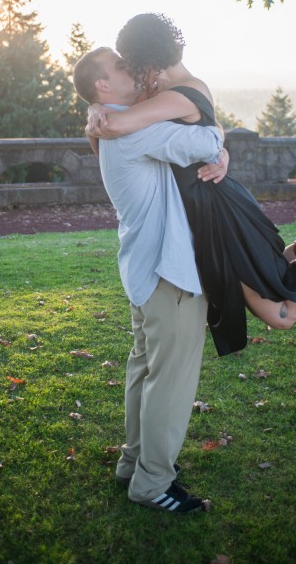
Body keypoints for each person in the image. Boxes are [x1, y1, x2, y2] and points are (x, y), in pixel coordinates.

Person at [86, 13, 296, 355]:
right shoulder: (182, 88)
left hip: (214, 210)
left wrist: (95, 111)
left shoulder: (176, 95)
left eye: (132, 62)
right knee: (270, 270)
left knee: (281, 314)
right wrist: (95, 105)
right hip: (211, 205)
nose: (133, 71)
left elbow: (115, 126)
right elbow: (208, 130)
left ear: (146, 56)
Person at [73, 46, 224, 515]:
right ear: (102, 86)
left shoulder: (118, 125)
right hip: (169, 272)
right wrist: (219, 136)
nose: (133, 70)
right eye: (122, 67)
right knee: (170, 382)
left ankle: (133, 463)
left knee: (144, 370)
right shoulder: (131, 130)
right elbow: (202, 141)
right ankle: (152, 482)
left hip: (144, 272)